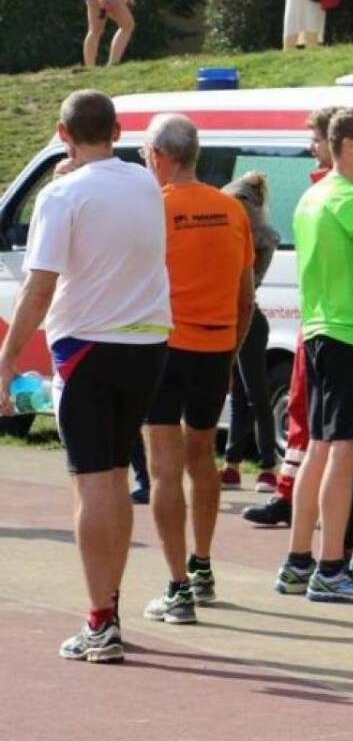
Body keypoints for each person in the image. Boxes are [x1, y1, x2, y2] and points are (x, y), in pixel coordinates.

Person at [0, 90, 170, 662]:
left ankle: (101, 622)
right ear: (118, 131)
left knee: (92, 483)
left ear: (61, 133)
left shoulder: (62, 194)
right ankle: (109, 607)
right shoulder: (146, 183)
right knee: (116, 477)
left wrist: (7, 360)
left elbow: (40, 285)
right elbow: (112, 187)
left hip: (87, 347)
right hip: (148, 344)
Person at [139, 115, 255, 626]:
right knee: (202, 454)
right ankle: (203, 565)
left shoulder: (152, 209)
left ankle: (177, 587)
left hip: (164, 347)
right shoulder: (231, 209)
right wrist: (229, 350)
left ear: (160, 156)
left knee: (164, 467)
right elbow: (245, 294)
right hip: (215, 346)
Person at [274, 108, 353, 604]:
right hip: (349, 333)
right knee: (348, 449)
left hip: (318, 330)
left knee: (319, 446)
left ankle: (299, 560)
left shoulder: (314, 193)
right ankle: (331, 565)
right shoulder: (350, 199)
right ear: (352, 144)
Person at [244, 107, 339, 526]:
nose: (309, 147)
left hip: (339, 322)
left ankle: (323, 509)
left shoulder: (346, 193)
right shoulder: (319, 188)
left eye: (315, 139)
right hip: (316, 316)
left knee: (331, 423)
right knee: (300, 408)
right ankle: (289, 494)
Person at [221, 171, 281, 493]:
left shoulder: (257, 236)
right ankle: (235, 465)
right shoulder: (260, 232)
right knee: (242, 393)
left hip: (244, 316)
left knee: (253, 392)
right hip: (240, 314)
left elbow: (249, 281)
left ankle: (267, 466)